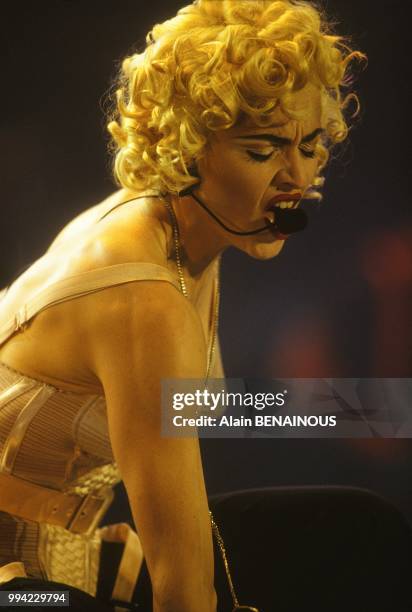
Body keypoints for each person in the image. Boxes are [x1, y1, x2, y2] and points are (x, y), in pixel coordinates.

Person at [0, 1, 367, 610]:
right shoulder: (144, 296)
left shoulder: (182, 230)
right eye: (263, 150)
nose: (296, 177)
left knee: (354, 525)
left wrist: (378, 410)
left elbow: (187, 409)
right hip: (18, 589)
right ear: (189, 147)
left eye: (310, 145)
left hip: (66, 552)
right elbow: (182, 582)